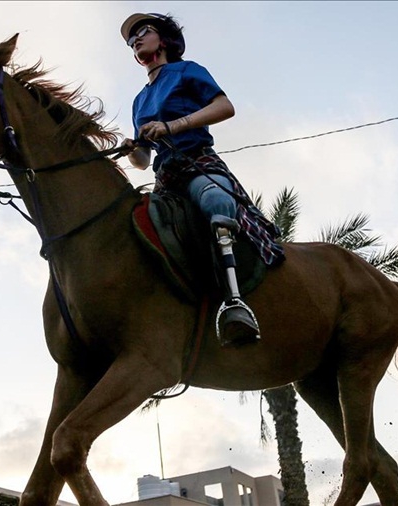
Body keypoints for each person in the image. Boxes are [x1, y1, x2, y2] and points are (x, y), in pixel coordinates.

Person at [119, 12, 284, 347]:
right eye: (130, 39)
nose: (135, 40)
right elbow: (143, 160)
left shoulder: (186, 70)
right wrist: (131, 150)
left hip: (196, 163)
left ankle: (235, 302)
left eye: (142, 32)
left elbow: (225, 107)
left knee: (216, 202)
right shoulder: (138, 100)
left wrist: (172, 126)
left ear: (162, 40)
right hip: (165, 179)